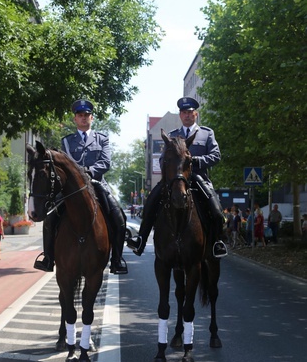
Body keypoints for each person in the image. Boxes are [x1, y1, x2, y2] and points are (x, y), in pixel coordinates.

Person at [34, 99, 128, 275]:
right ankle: (48, 258)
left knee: (118, 218)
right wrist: (78, 176)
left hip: (97, 184)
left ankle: (117, 260)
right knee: (50, 219)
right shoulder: (67, 142)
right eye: (80, 116)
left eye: (87, 115)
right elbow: (66, 164)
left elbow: (105, 162)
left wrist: (89, 172)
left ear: (92, 118)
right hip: (71, 188)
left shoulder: (102, 139)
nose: (84, 118)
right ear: (75, 119)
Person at [127, 96, 227, 258]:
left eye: (190, 112)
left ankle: (218, 242)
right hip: (175, 180)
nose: (187, 115)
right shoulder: (172, 136)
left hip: (198, 179)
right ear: (180, 115)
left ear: (196, 115)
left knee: (215, 209)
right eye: (184, 112)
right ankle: (141, 239)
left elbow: (216, 156)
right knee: (151, 202)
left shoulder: (206, 134)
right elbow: (162, 158)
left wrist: (196, 161)